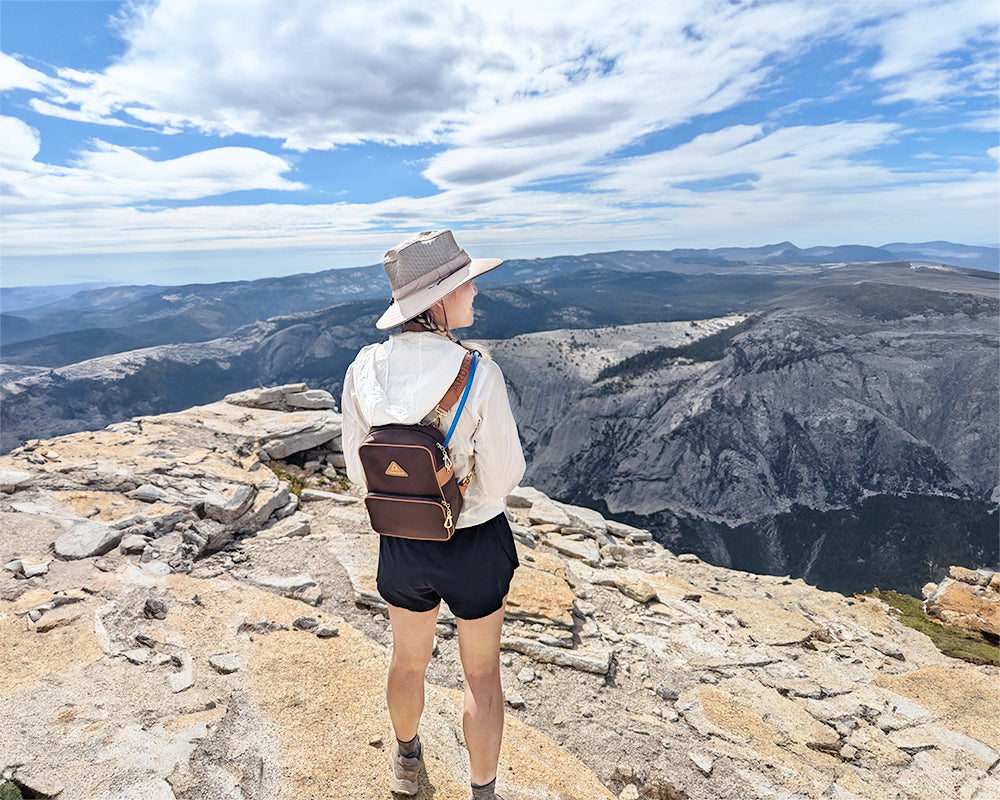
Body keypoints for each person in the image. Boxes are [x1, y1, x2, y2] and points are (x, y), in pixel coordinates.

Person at [341, 229, 526, 800]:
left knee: (407, 660)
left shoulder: (364, 369)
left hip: (401, 540)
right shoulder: (478, 372)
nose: (475, 292)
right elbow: (503, 478)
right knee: (481, 676)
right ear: (439, 301)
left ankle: (406, 762)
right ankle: (482, 792)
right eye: (465, 283)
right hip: (472, 542)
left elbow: (357, 472)